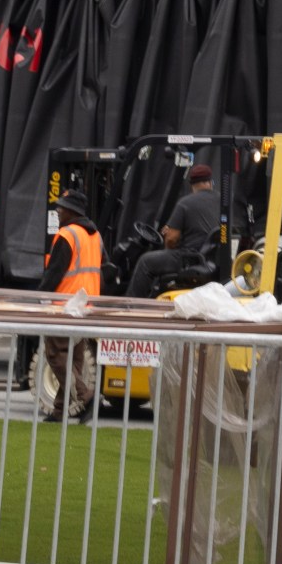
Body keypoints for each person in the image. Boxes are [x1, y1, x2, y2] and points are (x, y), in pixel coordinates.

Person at [32, 197, 106, 420]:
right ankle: (59, 411)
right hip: (84, 305)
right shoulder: (95, 236)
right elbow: (104, 270)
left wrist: (39, 296)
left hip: (64, 305)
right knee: (73, 359)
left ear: (71, 212)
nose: (58, 213)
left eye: (60, 209)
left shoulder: (67, 235)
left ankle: (86, 396)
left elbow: (54, 272)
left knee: (56, 355)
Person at [125, 162, 228, 296]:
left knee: (146, 261)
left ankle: (130, 303)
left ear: (191, 183)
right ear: (210, 182)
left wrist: (168, 244)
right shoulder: (222, 201)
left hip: (189, 258)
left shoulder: (185, 203)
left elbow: (172, 239)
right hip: (214, 259)